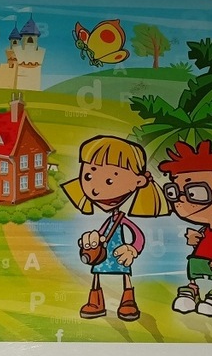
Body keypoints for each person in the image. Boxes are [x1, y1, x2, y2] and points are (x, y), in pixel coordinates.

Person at [61, 136, 169, 321]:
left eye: (110, 181)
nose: (95, 190)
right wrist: (91, 239)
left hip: (119, 252)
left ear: (138, 182)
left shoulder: (122, 218)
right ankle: (95, 301)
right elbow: (101, 233)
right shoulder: (109, 219)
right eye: (88, 176)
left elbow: (138, 235)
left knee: (125, 274)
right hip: (103, 253)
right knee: (97, 273)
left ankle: (128, 300)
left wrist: (133, 249)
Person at [158, 139, 212, 317]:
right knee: (193, 271)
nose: (181, 200)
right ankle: (192, 290)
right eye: (174, 192)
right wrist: (193, 239)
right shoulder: (203, 230)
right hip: (198, 260)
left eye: (195, 192)